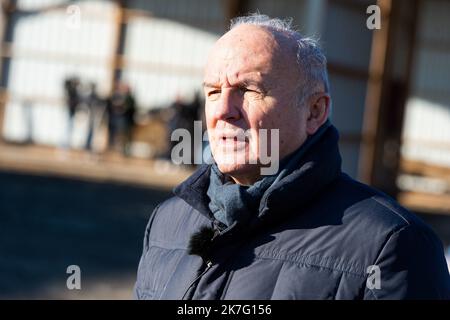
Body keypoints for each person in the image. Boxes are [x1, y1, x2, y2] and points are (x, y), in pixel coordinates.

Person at [134, 14, 450, 300]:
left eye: (248, 90)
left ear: (314, 111)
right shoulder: (168, 222)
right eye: (213, 91)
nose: (222, 111)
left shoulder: (392, 246)